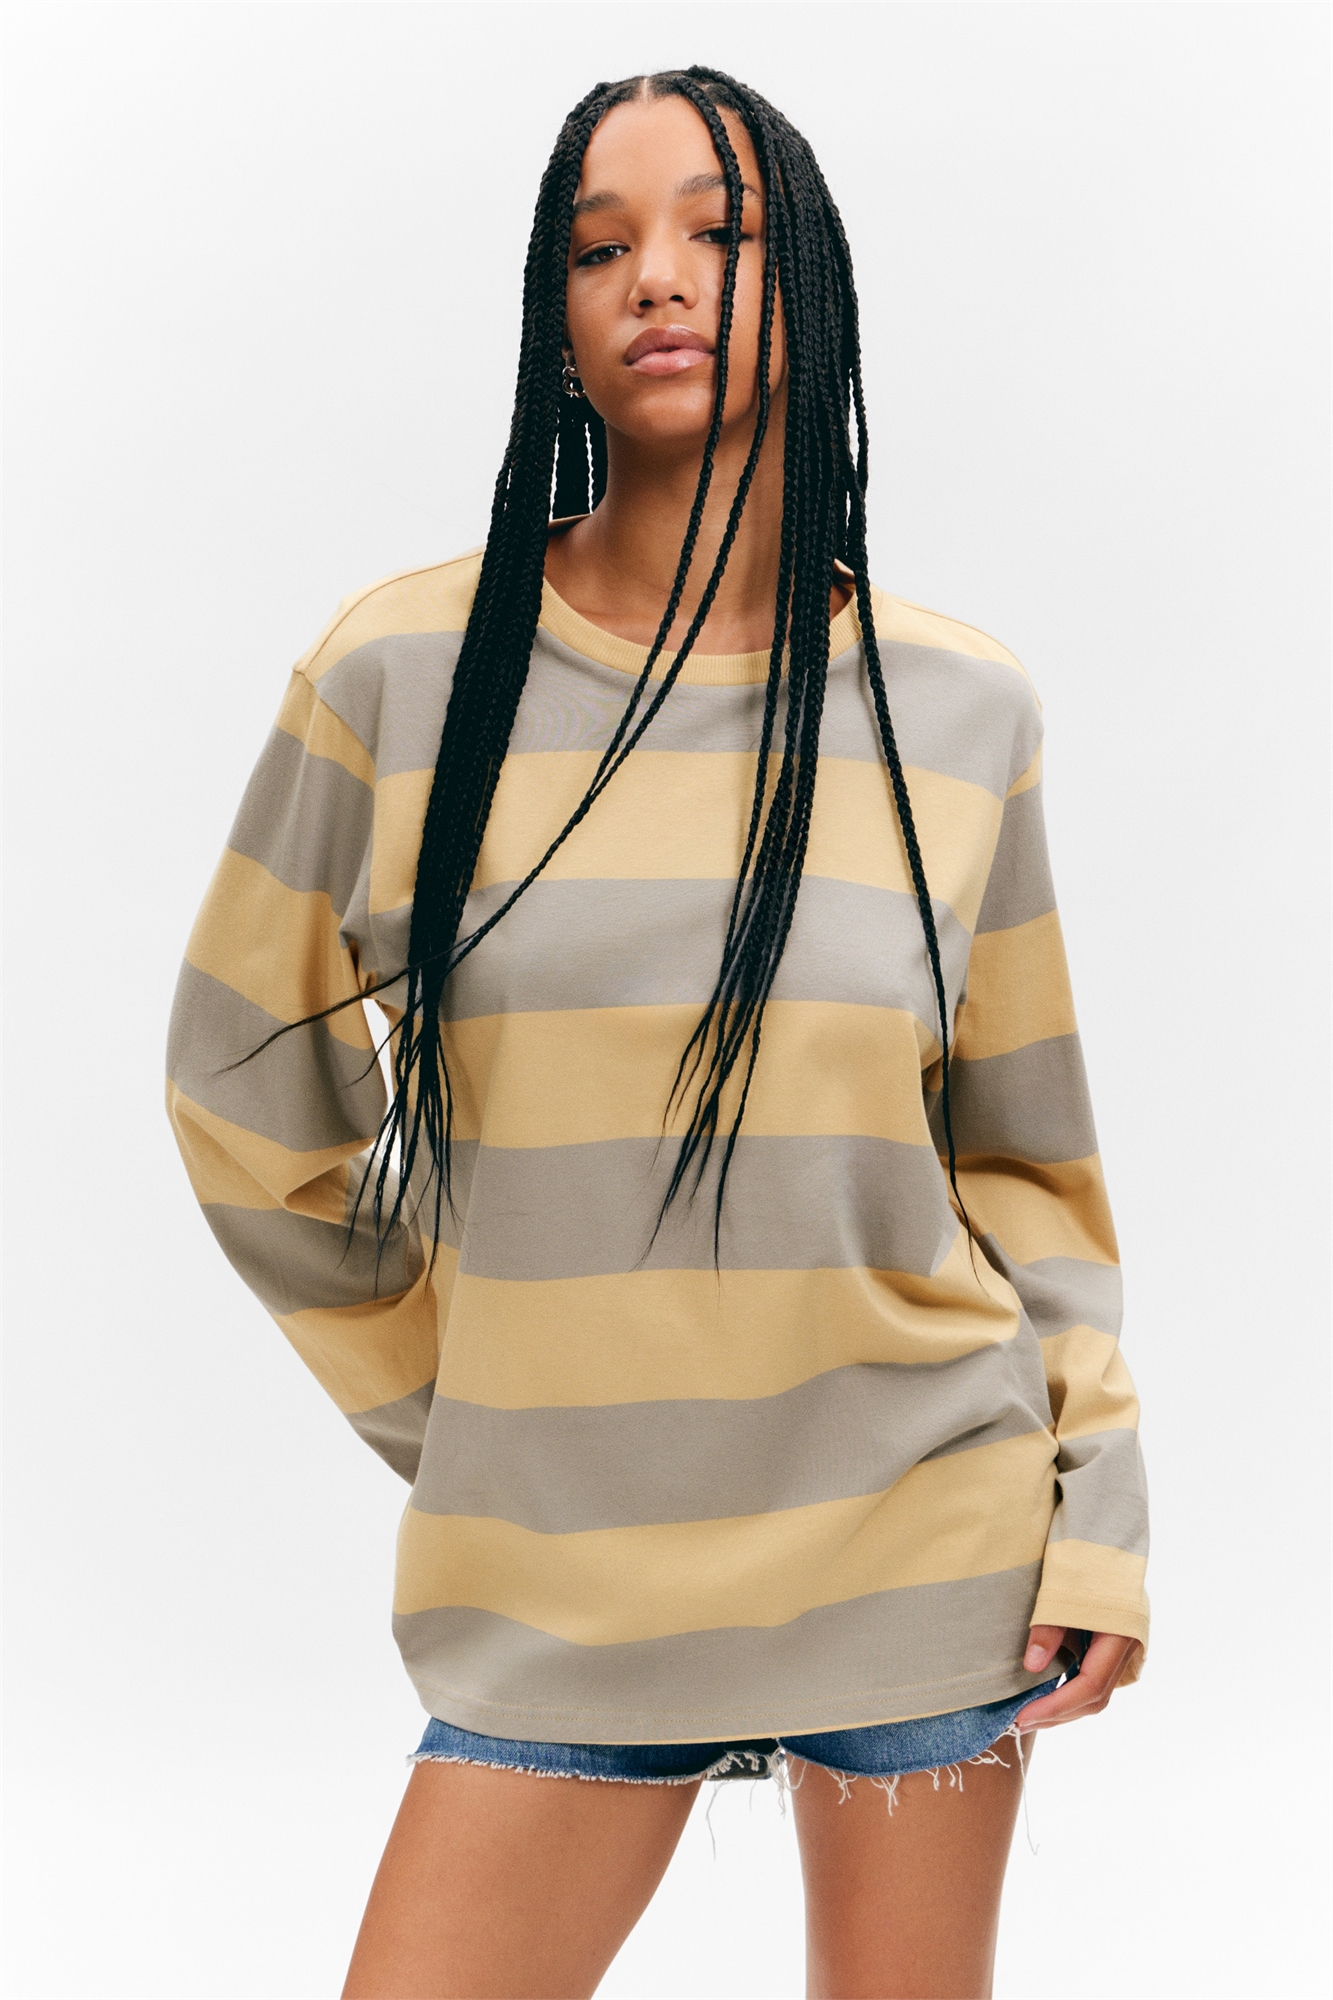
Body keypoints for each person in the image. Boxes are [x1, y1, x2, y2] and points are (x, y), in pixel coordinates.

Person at [166, 67, 1149, 2000]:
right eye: (597, 247)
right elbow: (240, 1090)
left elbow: (1023, 1162)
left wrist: (1096, 1510)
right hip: (559, 1575)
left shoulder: (956, 708)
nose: (656, 280)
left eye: (719, 231)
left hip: (920, 1528)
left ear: (815, 285)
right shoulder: (402, 675)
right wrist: (468, 1409)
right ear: (553, 312)